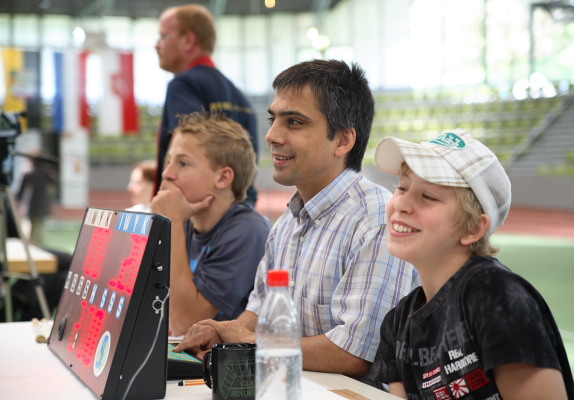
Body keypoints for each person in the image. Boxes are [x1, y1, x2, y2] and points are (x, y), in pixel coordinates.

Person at [174, 59, 419, 378]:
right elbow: (260, 311)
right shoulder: (288, 223)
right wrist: (221, 332)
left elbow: (355, 352)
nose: (272, 135)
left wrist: (249, 340)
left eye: (294, 122)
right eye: (273, 119)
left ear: (343, 141)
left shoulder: (375, 221)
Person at [368, 130, 574, 399]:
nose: (402, 204)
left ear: (474, 228)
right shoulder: (397, 323)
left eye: (428, 196)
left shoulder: (496, 295)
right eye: (403, 187)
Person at [151, 112, 270, 336]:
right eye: (168, 162)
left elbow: (184, 324)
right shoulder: (187, 224)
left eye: (183, 163)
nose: (167, 174)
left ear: (223, 178)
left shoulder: (248, 230)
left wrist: (172, 221)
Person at [155, 4, 259, 205]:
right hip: (241, 207)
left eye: (163, 36)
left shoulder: (182, 85)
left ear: (188, 40)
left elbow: (186, 155)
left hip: (200, 214)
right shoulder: (240, 98)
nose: (157, 45)